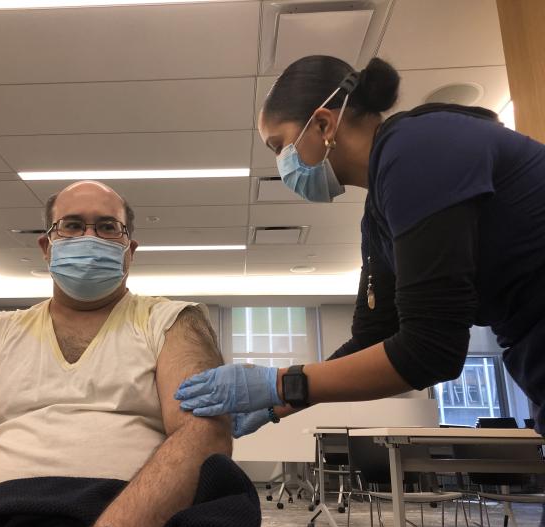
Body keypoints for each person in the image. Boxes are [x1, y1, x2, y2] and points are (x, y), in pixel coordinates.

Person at [176, 55, 545, 448]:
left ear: (323, 123)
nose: (281, 163)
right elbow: (372, 339)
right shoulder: (378, 217)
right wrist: (279, 402)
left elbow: (431, 350)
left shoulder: (418, 149)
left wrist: (279, 383)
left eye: (279, 145)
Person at [0, 181, 260, 527]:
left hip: (138, 520)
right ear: (47, 247)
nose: (89, 238)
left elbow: (201, 433)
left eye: (108, 227)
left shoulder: (172, 320)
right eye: (73, 225)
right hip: (2, 516)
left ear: (130, 249)